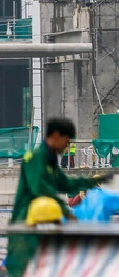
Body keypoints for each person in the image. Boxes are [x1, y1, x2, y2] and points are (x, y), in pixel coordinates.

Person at [6, 118, 113, 277]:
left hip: (39, 225)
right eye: (67, 141)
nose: (67, 146)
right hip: (24, 225)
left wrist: (92, 181)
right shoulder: (35, 158)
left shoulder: (49, 161)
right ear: (56, 135)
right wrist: (66, 212)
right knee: (20, 271)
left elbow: (65, 184)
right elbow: (41, 189)